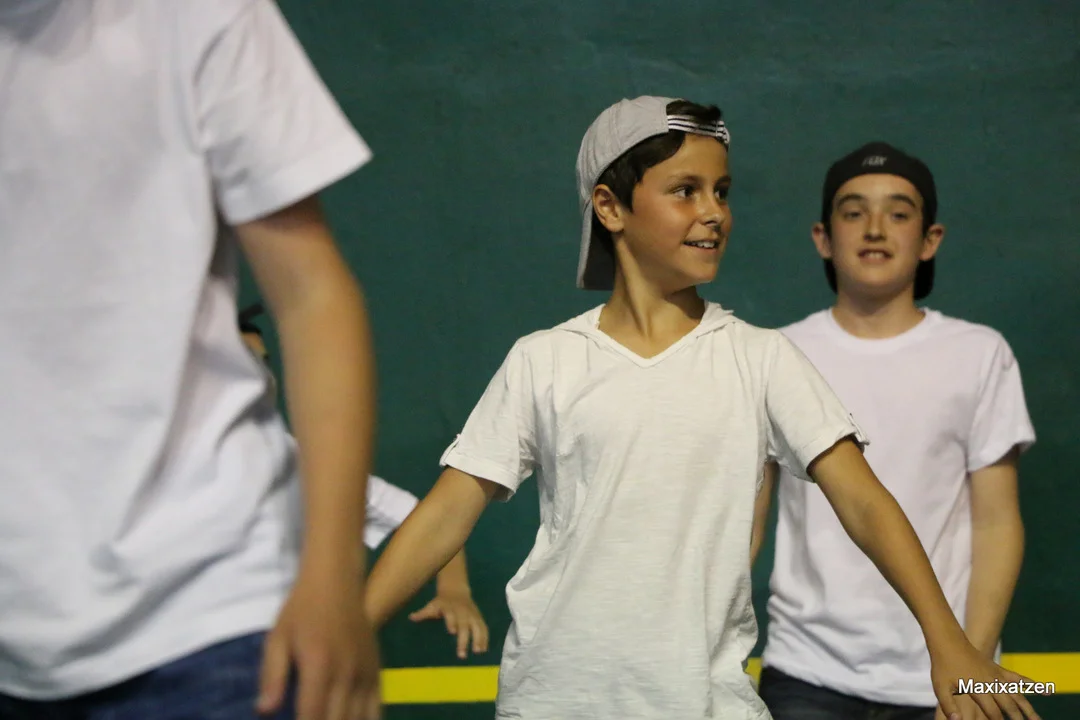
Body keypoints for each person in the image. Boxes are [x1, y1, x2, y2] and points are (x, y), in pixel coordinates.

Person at [357, 96, 1041, 719]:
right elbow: (445, 513)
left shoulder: (762, 358)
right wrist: (347, 636)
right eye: (685, 191)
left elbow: (863, 501)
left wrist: (949, 645)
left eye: (722, 191)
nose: (714, 211)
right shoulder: (544, 360)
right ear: (610, 207)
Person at [0, 1, 381, 718]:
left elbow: (311, 296)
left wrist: (332, 581)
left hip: (214, 619)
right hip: (18, 643)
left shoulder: (195, 15)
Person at [754, 142, 1036, 720]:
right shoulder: (777, 354)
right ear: (823, 237)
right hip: (806, 671)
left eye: (899, 213)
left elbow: (997, 522)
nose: (875, 228)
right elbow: (745, 525)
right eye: (854, 212)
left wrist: (971, 663)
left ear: (930, 239)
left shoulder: (979, 354)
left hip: (946, 674)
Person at [240, 309, 490, 660]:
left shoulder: (302, 463)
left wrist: (454, 589)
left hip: (280, 657)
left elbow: (428, 519)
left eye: (264, 362)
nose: (260, 375)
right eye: (243, 360)